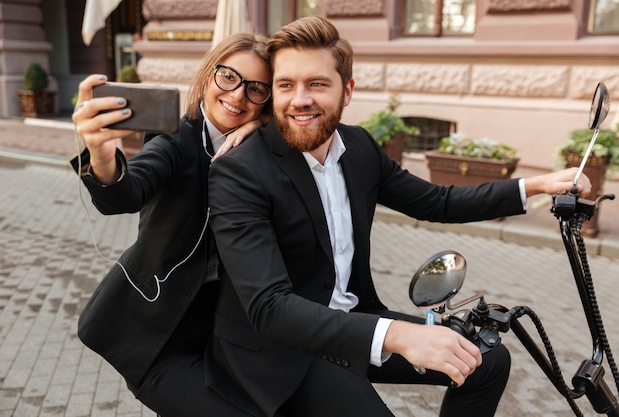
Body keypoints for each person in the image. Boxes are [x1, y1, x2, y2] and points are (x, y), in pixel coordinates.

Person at [206, 16, 592, 417]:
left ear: (347, 91)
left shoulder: (358, 148)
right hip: (281, 351)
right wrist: (398, 334)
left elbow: (438, 202)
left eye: (317, 84)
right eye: (286, 85)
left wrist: (538, 185)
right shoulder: (241, 169)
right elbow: (269, 308)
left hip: (353, 319)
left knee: (485, 361)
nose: (300, 99)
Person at [71, 32, 272, 417]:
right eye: (229, 77)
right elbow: (125, 193)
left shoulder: (261, 147)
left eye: (256, 88)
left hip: (224, 342)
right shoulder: (174, 139)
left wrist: (260, 127)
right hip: (157, 339)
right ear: (208, 75)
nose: (238, 96)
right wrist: (99, 153)